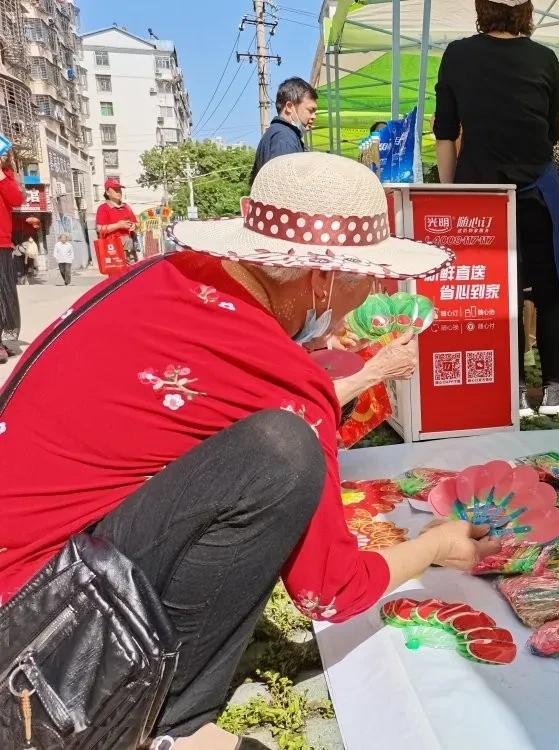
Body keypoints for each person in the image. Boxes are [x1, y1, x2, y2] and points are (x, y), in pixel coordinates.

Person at [0, 153, 499, 750]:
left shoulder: (155, 279)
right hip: (33, 644)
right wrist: (435, 545)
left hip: (26, 577)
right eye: (368, 279)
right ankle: (164, 725)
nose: (371, 297)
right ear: (323, 278)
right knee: (282, 453)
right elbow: (332, 591)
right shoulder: (285, 381)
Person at [434, 0, 559, 416]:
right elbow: (550, 130)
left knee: (498, 295)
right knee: (551, 290)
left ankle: (510, 388)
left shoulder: (458, 54)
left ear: (482, 7)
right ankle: (554, 389)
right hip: (536, 188)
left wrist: (451, 194)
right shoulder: (545, 59)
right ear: (527, 10)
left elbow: (445, 133)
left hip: (480, 196)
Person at [249, 77, 318, 188]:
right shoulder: (283, 138)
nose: (314, 116)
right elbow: (284, 188)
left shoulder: (280, 134)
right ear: (289, 107)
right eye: (310, 110)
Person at [0, 150, 23, 363]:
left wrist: (1, 174)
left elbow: (16, 199)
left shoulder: (5, 175)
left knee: (5, 294)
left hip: (2, 243)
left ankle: (3, 340)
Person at [95, 177, 138, 263]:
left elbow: (136, 223)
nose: (118, 192)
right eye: (115, 190)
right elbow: (99, 229)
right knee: (117, 275)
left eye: (119, 189)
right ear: (107, 192)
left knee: (132, 274)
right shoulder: (103, 208)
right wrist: (118, 225)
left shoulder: (126, 207)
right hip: (113, 248)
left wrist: (134, 225)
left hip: (129, 247)